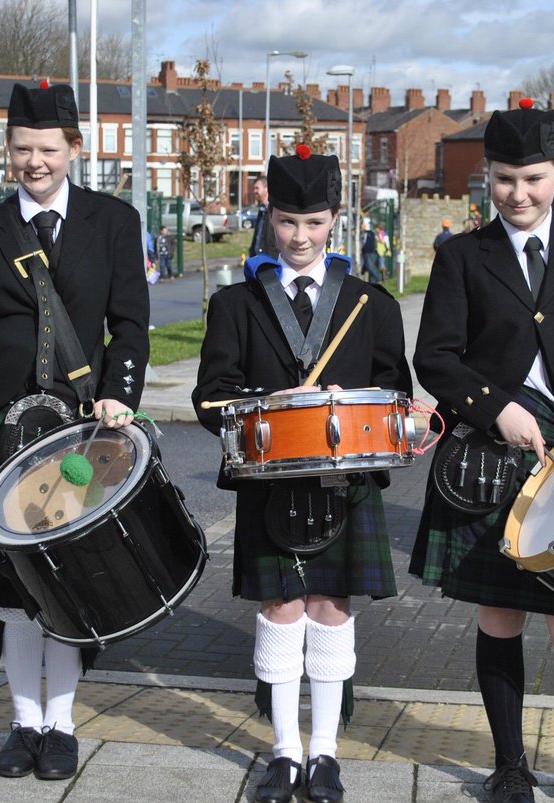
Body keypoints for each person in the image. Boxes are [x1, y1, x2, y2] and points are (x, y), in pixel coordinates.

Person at [410, 99, 554, 803]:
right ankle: (510, 765)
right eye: (505, 178)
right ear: (488, 176)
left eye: (534, 179)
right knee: (500, 617)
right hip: (488, 457)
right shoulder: (461, 255)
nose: (518, 193)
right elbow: (437, 358)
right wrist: (496, 407)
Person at [0, 81, 149, 782]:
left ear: (74, 149)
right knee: (12, 591)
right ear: (9, 150)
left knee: (67, 584)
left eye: (48, 149)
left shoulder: (113, 220)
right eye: (22, 149)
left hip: (79, 424)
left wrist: (118, 393)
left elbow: (131, 325)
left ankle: (62, 725)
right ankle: (23, 721)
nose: (34, 161)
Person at [193, 145, 412, 803]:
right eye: (288, 221)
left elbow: (393, 389)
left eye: (314, 223)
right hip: (270, 482)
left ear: (336, 219)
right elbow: (211, 396)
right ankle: (285, 751)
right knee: (281, 606)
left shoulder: (370, 303)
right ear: (269, 214)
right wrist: (264, 422)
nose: (299, 236)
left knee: (332, 606)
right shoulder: (235, 303)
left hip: (345, 483)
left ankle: (326, 754)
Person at [250, 175, 279, 259]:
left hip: (270, 261)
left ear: (266, 189)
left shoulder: (275, 211)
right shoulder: (262, 211)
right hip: (258, 260)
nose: (254, 191)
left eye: (257, 188)